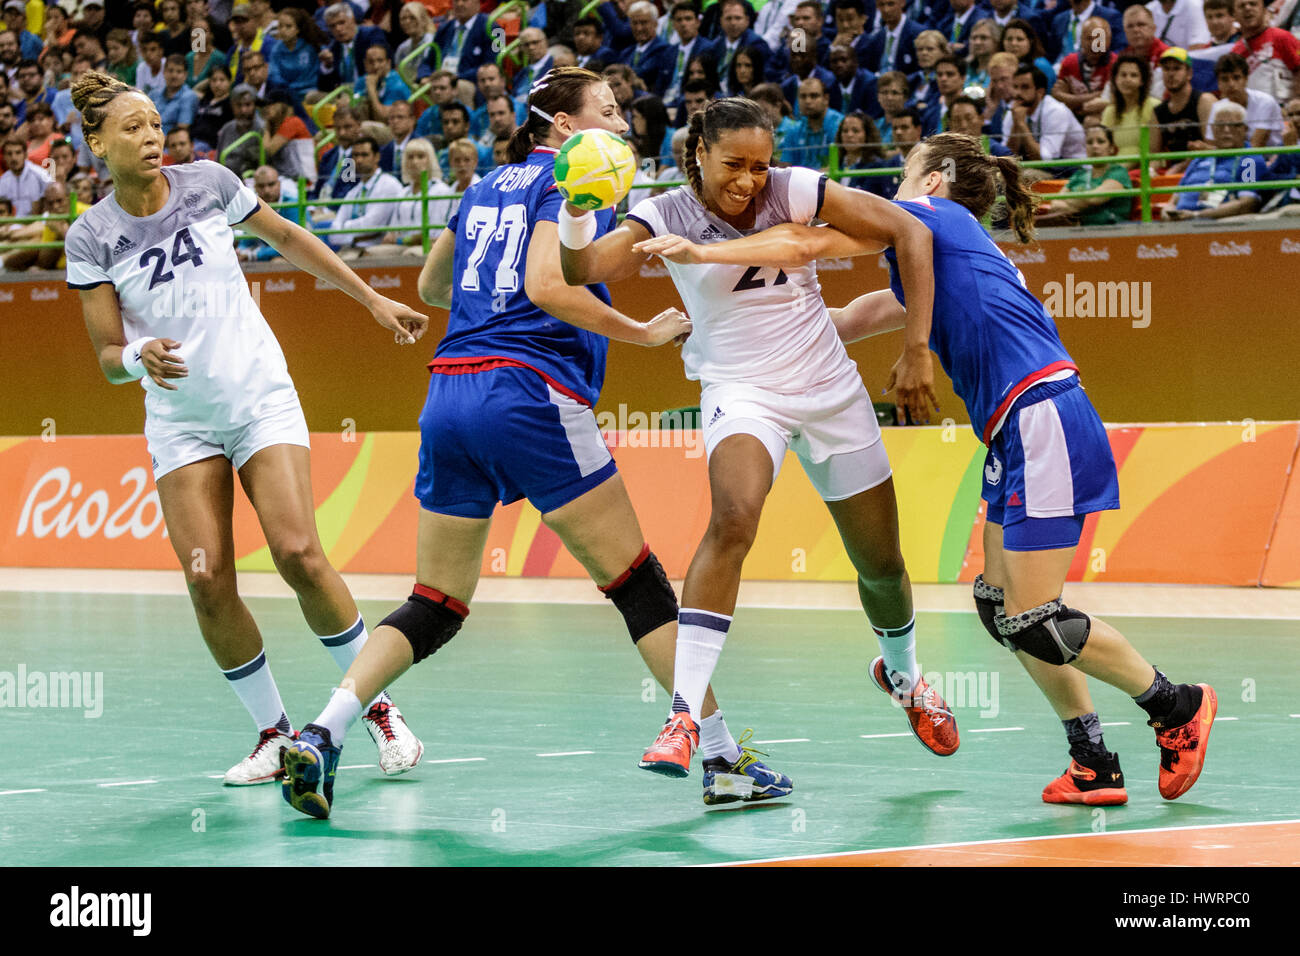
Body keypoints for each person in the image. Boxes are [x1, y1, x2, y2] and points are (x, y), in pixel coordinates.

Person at [280, 67, 788, 819]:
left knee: (436, 602)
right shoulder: (568, 183)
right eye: (608, 114)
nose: (622, 129)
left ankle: (324, 732)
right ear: (560, 128)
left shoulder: (484, 184)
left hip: (450, 390)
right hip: (528, 392)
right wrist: (641, 332)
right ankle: (719, 756)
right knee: (637, 585)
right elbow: (551, 288)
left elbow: (429, 285)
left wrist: (491, 301)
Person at [690, 130, 1217, 807]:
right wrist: (719, 326)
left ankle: (1177, 705)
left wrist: (736, 197)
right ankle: (1092, 758)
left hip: (1043, 414)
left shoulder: (934, 219)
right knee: (1001, 608)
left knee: (1036, 617)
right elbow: (848, 318)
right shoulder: (941, 258)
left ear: (933, 180)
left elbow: (813, 241)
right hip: (1016, 431)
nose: (895, 189)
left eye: (905, 170)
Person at [559, 95, 961, 780]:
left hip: (831, 390)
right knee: (734, 517)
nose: (750, 181)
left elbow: (910, 233)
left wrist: (917, 347)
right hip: (742, 393)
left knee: (881, 565)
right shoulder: (663, 213)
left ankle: (903, 676)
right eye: (734, 165)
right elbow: (583, 270)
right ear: (698, 155)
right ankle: (683, 714)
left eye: (760, 165)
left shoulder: (796, 189)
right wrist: (574, 209)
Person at [64, 71, 430, 788]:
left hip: (258, 397)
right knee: (206, 578)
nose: (151, 137)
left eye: (154, 124)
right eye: (132, 128)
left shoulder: (207, 183)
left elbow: (289, 237)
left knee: (297, 551)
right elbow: (110, 360)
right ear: (98, 144)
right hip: (181, 424)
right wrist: (141, 355)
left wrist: (371, 298)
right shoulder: (92, 236)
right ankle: (273, 732)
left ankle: (379, 711)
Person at [1037, 122, 1132, 223]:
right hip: (1079, 232)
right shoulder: (1079, 175)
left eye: (1100, 141)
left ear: (1111, 148)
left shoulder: (1119, 172)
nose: (1095, 146)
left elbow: (1094, 198)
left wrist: (1070, 206)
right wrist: (1082, 203)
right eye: (1090, 142)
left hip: (1113, 231)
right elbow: (1056, 204)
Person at [1098, 53, 1163, 159]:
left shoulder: (1153, 106)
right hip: (1118, 168)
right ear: (1115, 79)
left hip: (1145, 166)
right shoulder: (1110, 111)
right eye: (1123, 75)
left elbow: (1154, 151)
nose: (1127, 80)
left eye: (1133, 75)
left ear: (1142, 81)